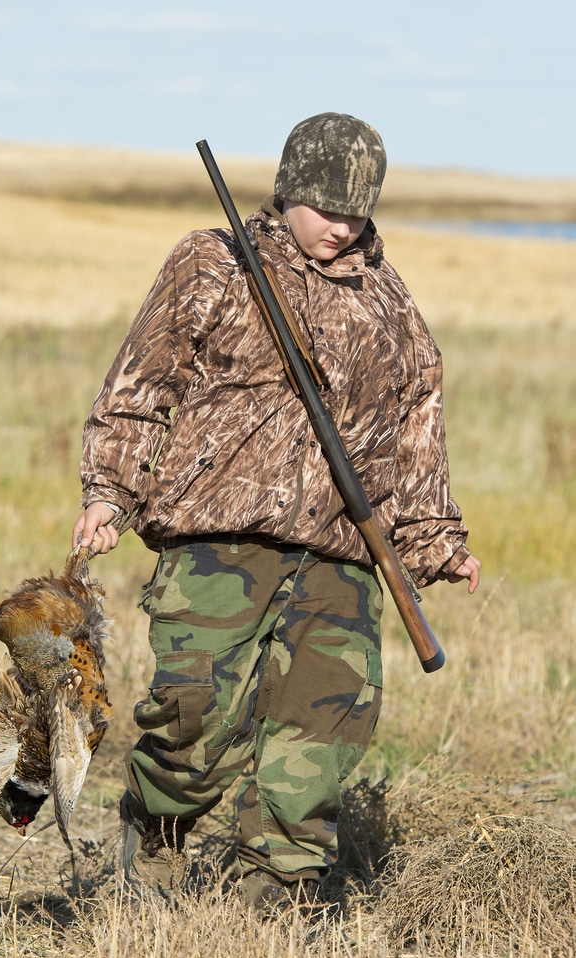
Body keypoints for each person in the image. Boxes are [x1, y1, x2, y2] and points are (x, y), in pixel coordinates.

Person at [72, 112, 481, 913]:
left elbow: (416, 432)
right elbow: (141, 383)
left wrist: (437, 540)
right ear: (288, 190)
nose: (341, 225)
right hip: (218, 540)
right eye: (326, 208)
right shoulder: (214, 262)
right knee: (195, 724)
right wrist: (108, 493)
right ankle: (151, 854)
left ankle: (277, 899)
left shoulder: (389, 303)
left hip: (340, 552)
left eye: (357, 211)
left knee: (322, 734)